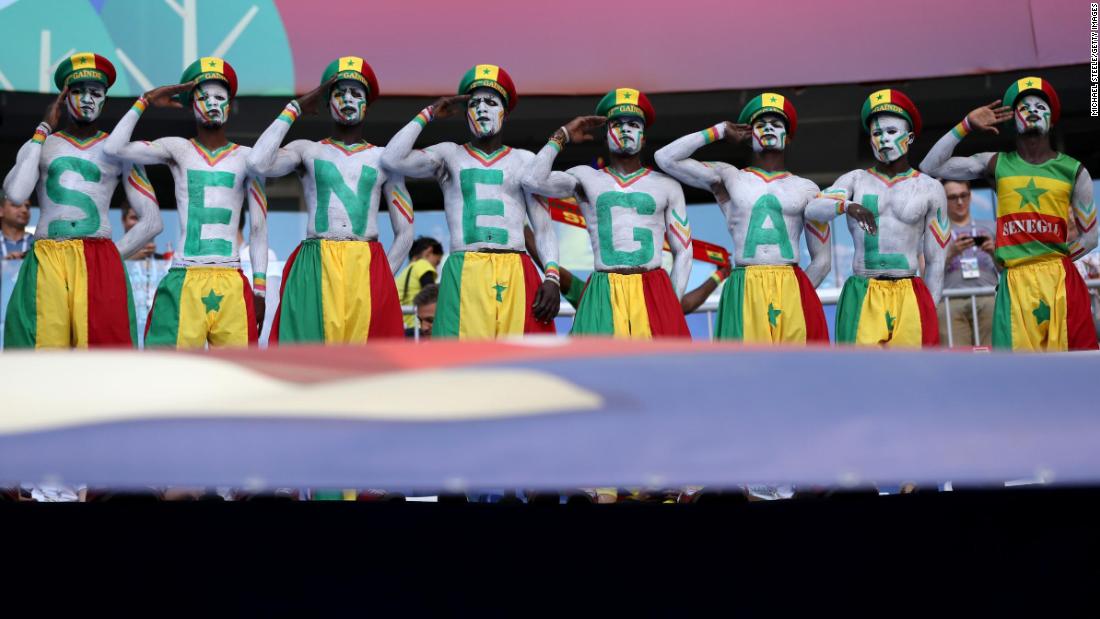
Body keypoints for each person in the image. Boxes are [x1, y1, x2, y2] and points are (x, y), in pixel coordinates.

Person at [919, 76, 1098, 351]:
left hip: (1060, 281)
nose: (1033, 111)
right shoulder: (995, 163)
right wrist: (966, 125)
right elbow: (930, 166)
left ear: (1052, 120)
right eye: (1024, 107)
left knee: (1073, 365)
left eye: (1040, 106)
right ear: (1013, 119)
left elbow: (1091, 237)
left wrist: (1056, 261)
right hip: (1015, 282)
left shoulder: (1075, 170)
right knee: (1018, 373)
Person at [381, 64, 560, 339]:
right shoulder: (448, 154)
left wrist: (551, 276)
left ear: (504, 111)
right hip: (465, 268)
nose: (482, 109)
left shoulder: (525, 160)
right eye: (474, 104)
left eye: (491, 102)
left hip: (515, 268)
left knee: (518, 363)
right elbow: (392, 159)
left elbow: (544, 228)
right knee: (463, 363)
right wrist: (428, 113)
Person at [104, 57, 269, 348]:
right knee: (171, 376)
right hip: (185, 274)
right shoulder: (177, 147)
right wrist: (145, 100)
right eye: (203, 97)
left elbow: (258, 228)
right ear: (192, 105)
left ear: (229, 105)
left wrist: (260, 291)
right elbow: (114, 148)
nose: (212, 103)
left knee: (237, 381)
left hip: (231, 276)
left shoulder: (249, 157)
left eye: (220, 97)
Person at [2, 52, 162, 349]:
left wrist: (112, 257)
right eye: (78, 91)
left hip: (98, 255)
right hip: (48, 257)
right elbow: (15, 193)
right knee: (40, 354)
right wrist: (42, 128)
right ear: (64, 98)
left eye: (95, 92)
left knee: (102, 358)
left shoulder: (120, 150)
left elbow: (152, 221)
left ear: (104, 99)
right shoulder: (42, 144)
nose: (87, 99)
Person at [248, 56, 411, 344]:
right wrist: (295, 108)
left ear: (367, 103)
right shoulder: (306, 150)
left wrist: (383, 274)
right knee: (307, 356)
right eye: (339, 93)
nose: (348, 99)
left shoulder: (384, 158)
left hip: (366, 259)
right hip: (315, 260)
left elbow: (405, 232)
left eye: (356, 93)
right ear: (326, 102)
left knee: (366, 364)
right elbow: (258, 163)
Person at [655, 92, 830, 343]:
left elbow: (822, 262)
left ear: (788, 136)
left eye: (776, 124)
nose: (768, 128)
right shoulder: (729, 176)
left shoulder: (808, 188)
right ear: (750, 135)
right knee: (743, 373)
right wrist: (719, 131)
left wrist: (795, 296)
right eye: (760, 124)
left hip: (791, 282)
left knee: (795, 373)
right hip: (745, 284)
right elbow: (665, 158)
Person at [522, 88, 692, 338]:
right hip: (603, 287)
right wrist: (563, 135)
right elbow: (531, 180)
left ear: (643, 137)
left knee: (659, 372)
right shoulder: (585, 176)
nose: (625, 130)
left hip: (654, 288)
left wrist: (671, 304)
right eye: (616, 124)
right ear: (606, 135)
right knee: (595, 370)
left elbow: (684, 251)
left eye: (633, 124)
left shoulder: (667, 185)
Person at [805, 89, 947, 347]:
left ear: (910, 137)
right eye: (877, 133)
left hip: (909, 292)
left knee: (913, 379)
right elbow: (813, 210)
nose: (883, 139)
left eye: (892, 132)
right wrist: (847, 206)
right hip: (863, 291)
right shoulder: (855, 179)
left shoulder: (930, 187)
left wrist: (928, 308)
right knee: (861, 380)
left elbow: (937, 260)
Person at [937, 179, 999, 346]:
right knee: (956, 361)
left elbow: (1006, 269)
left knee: (993, 356)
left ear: (970, 196)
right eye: (952, 197)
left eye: (964, 195)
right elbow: (925, 272)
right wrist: (950, 254)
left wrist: (994, 253)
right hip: (950, 301)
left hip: (988, 298)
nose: (960, 201)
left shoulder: (991, 226)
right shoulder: (934, 232)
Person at [396, 236, 443, 328]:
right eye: (437, 262)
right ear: (429, 252)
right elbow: (432, 296)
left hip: (404, 328)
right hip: (417, 327)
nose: (436, 268)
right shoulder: (423, 265)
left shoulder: (404, 273)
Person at [0, 194, 34, 260]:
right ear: (1, 211)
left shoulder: (39, 244)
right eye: (17, 205)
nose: (24, 210)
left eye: (27, 206)